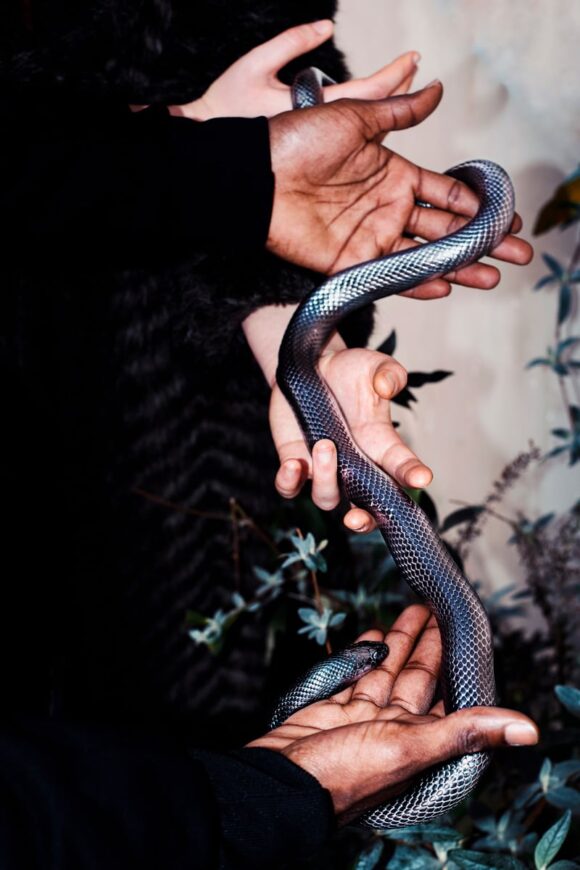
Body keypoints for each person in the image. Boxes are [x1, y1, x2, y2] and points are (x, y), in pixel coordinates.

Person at [0, 6, 536, 867]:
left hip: (155, 373)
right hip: (102, 298)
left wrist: (292, 314)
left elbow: (238, 60)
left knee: (170, 670)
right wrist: (200, 153)